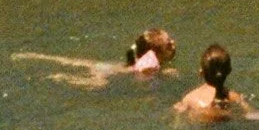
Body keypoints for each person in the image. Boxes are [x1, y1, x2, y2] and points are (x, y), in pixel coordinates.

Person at [14, 27, 179, 91]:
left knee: (70, 61)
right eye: (168, 45)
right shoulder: (150, 64)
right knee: (97, 84)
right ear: (155, 53)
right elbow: (143, 80)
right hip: (108, 74)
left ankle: (36, 56)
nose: (173, 44)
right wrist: (167, 74)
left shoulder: (140, 59)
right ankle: (61, 77)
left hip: (106, 66)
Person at [173, 44, 259, 122]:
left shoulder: (190, 98)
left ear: (201, 73)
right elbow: (252, 113)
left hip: (202, 125)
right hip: (228, 123)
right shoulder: (233, 96)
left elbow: (178, 118)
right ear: (229, 70)